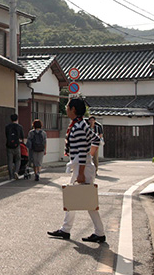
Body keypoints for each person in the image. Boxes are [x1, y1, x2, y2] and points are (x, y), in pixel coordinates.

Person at [48, 98, 105, 243]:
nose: (66, 108)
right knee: (75, 198)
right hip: (82, 165)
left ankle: (97, 232)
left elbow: (81, 150)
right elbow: (96, 140)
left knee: (86, 201)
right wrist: (89, 157)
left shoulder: (79, 126)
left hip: (82, 168)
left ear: (73, 109)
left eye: (67, 106)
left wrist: (82, 169)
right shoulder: (81, 124)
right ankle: (67, 229)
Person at [5, 114, 24, 180]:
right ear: (17, 119)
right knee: (18, 159)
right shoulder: (19, 127)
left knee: (10, 161)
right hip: (17, 145)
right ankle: (16, 171)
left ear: (11, 119)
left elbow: (6, 135)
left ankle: (11, 175)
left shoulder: (7, 127)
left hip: (9, 145)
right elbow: (22, 137)